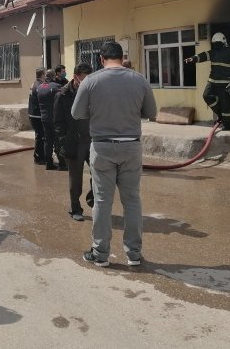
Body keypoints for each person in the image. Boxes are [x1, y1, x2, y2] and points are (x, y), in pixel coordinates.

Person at [72, 42, 157, 268]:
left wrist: (98, 109)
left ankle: (100, 253)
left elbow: (76, 113)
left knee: (102, 200)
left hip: (102, 147)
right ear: (122, 57)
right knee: (132, 200)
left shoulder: (90, 81)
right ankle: (134, 254)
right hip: (131, 146)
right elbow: (151, 112)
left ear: (101, 59)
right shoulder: (139, 79)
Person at [53, 62, 93, 221]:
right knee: (75, 179)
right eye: (86, 78)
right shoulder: (62, 95)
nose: (89, 82)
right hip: (73, 142)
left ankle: (93, 199)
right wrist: (63, 143)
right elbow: (57, 123)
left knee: (99, 174)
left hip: (91, 140)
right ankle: (75, 208)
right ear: (76, 77)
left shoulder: (92, 92)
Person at [184, 32, 230, 131]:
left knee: (226, 104)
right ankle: (220, 116)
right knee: (206, 96)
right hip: (213, 82)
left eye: (218, 43)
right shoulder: (214, 52)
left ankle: (227, 125)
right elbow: (203, 56)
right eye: (215, 43)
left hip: (225, 84)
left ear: (223, 42)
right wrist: (192, 59)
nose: (217, 45)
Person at [37, 70, 65, 171]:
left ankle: (48, 163)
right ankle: (62, 163)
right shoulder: (56, 86)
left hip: (44, 118)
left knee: (47, 141)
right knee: (58, 140)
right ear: (54, 76)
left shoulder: (39, 88)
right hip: (54, 118)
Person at [27, 68, 46, 165]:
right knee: (40, 136)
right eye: (45, 73)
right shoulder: (39, 86)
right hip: (37, 115)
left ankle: (40, 156)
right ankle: (38, 157)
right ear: (42, 75)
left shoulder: (34, 84)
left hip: (32, 114)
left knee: (39, 136)